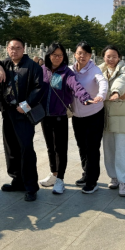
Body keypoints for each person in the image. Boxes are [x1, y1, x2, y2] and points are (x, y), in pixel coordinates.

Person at [0, 38, 45, 202]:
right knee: (11, 148)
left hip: (23, 113)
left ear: (24, 49)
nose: (14, 51)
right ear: (7, 49)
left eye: (17, 48)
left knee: (26, 148)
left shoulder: (33, 66)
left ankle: (31, 187)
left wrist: (27, 105)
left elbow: (39, 88)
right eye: (11, 48)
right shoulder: (6, 64)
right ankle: (17, 180)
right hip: (8, 111)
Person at [38, 42, 92, 195]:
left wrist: (85, 97)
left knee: (60, 149)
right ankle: (54, 174)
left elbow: (76, 86)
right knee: (50, 147)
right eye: (54, 55)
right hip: (44, 116)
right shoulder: (42, 70)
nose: (57, 58)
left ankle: (60, 179)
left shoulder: (66, 72)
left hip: (59, 116)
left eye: (60, 55)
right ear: (49, 55)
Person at [69, 41, 108, 194]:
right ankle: (86, 174)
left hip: (94, 114)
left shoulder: (94, 70)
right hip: (77, 115)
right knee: (82, 146)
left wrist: (101, 95)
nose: (82, 56)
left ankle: (92, 181)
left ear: (90, 56)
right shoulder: (70, 70)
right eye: (79, 53)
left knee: (92, 147)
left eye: (85, 53)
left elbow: (102, 82)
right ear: (75, 54)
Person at [98, 45, 125, 198]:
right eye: (108, 56)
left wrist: (115, 92)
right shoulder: (99, 70)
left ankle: (123, 181)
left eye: (114, 56)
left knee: (122, 150)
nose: (111, 59)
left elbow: (122, 82)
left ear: (119, 57)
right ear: (103, 57)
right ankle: (113, 177)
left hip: (122, 114)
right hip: (106, 114)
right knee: (108, 149)